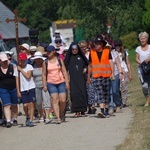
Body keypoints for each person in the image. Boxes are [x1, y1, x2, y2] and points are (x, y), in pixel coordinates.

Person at [87, 35, 114, 118]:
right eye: (96, 43)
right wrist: (88, 77)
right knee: (99, 93)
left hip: (106, 75)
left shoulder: (107, 51)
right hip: (96, 76)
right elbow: (90, 65)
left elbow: (110, 62)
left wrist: (112, 73)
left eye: (99, 43)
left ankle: (106, 110)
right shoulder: (92, 53)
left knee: (106, 93)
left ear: (102, 44)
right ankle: (102, 111)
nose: (97, 45)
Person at [42, 45, 69, 124]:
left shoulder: (59, 60)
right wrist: (44, 84)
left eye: (50, 51)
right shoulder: (45, 62)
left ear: (54, 52)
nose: (48, 53)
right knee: (54, 100)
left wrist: (67, 82)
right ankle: (58, 117)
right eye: (47, 51)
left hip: (61, 81)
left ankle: (61, 112)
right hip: (51, 82)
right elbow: (43, 74)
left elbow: (64, 71)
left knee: (63, 100)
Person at [65, 42, 89, 117]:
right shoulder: (69, 57)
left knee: (82, 93)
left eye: (76, 49)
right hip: (73, 78)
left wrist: (85, 68)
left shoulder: (81, 56)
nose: (75, 51)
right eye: (73, 49)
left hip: (81, 78)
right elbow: (65, 65)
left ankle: (83, 110)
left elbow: (87, 63)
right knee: (74, 94)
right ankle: (76, 110)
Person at [31, 51, 52, 124]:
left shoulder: (45, 65)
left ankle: (47, 116)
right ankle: (41, 115)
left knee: (46, 100)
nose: (38, 60)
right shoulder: (32, 66)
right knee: (38, 103)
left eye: (39, 59)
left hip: (45, 85)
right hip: (36, 86)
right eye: (36, 59)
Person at [0, 53, 20, 127]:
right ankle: (8, 120)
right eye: (3, 60)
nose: (5, 62)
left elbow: (17, 79)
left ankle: (14, 118)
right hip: (3, 89)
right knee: (6, 105)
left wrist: (18, 90)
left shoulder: (13, 67)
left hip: (13, 88)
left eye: (6, 60)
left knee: (14, 104)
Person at [17, 52, 36, 127]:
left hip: (30, 87)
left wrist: (21, 70)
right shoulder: (17, 69)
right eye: (20, 60)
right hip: (23, 88)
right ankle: (27, 116)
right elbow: (17, 80)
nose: (21, 62)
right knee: (25, 105)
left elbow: (28, 76)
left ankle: (31, 120)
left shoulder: (29, 67)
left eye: (23, 60)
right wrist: (18, 91)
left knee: (31, 104)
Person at [115, 39, 132, 107]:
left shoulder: (124, 52)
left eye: (119, 45)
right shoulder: (113, 53)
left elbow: (128, 63)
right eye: (116, 45)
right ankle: (119, 101)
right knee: (118, 88)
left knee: (124, 88)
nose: (117, 47)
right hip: (117, 71)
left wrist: (130, 74)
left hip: (125, 71)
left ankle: (124, 102)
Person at [135, 31, 150, 106]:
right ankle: (147, 99)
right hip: (142, 70)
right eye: (141, 39)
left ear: (147, 39)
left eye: (143, 38)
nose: (142, 40)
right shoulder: (138, 49)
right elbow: (136, 58)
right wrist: (141, 62)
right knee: (144, 86)